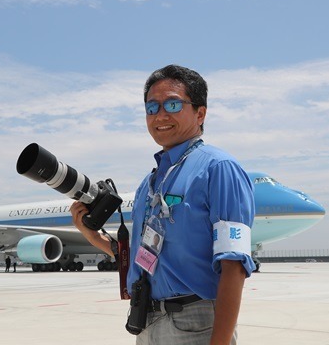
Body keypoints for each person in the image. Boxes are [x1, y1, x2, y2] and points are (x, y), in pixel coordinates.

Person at [70, 64, 255, 345]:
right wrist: (91, 236)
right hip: (148, 321)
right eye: (152, 107)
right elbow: (146, 256)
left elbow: (234, 265)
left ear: (200, 112)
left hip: (197, 323)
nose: (161, 115)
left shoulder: (219, 168)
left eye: (172, 104)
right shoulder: (150, 182)